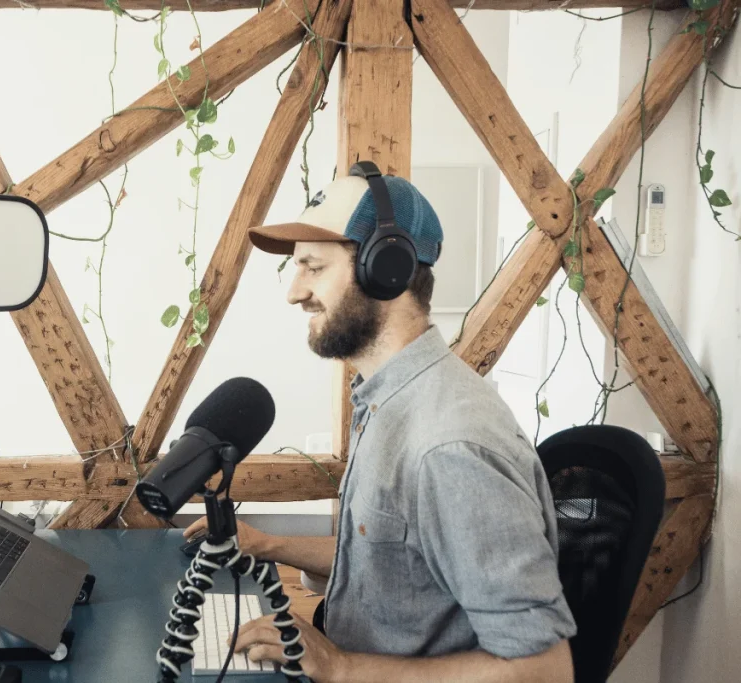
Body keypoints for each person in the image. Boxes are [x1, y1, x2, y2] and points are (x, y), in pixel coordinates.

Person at [183, 165, 577, 682]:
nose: (294, 292)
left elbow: (544, 671)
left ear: (386, 268)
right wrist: (270, 546)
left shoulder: (449, 446)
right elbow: (393, 561)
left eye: (313, 267)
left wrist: (341, 667)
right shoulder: (392, 401)